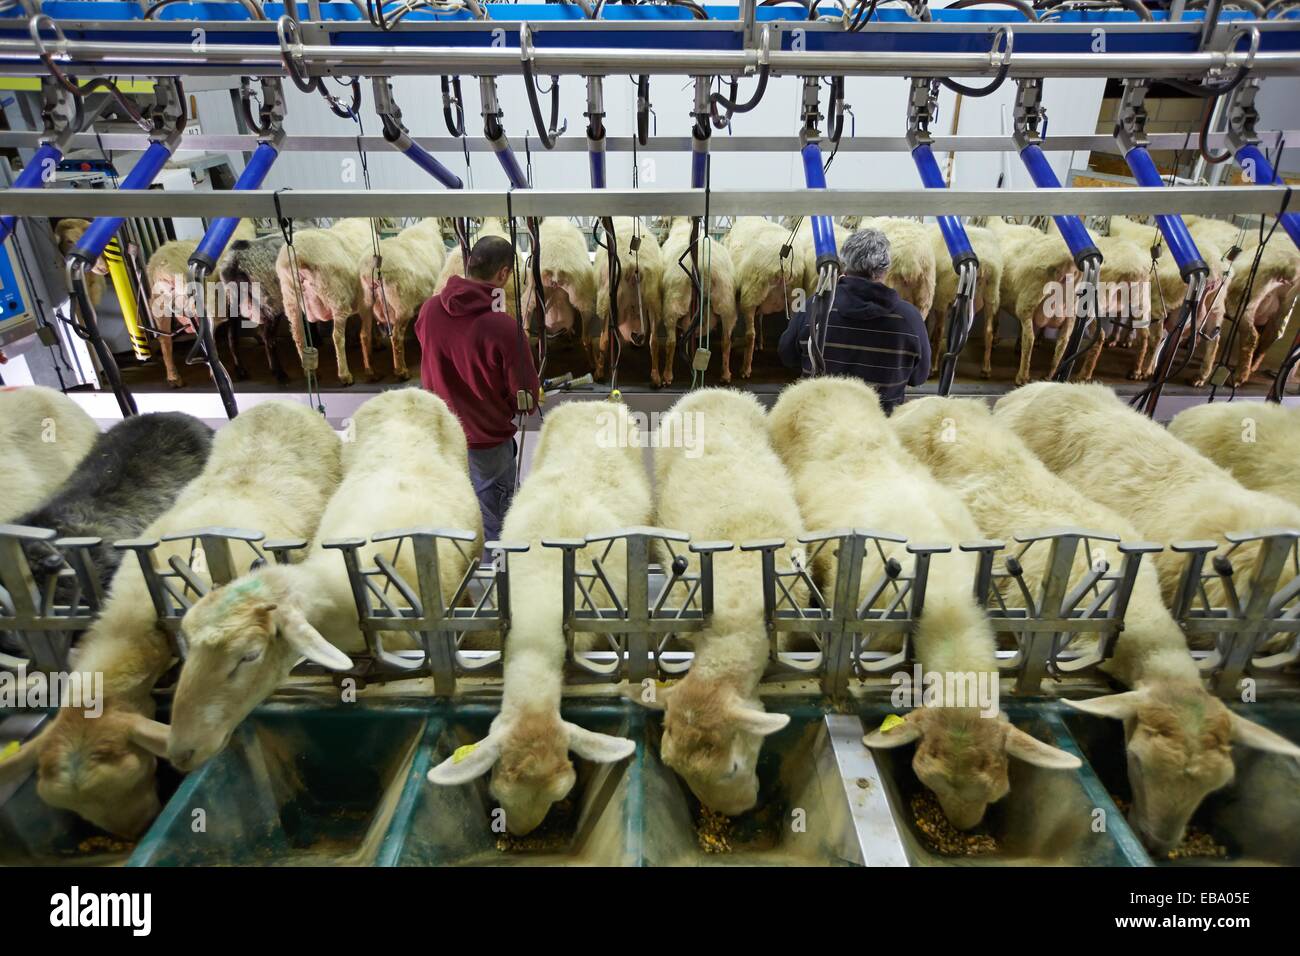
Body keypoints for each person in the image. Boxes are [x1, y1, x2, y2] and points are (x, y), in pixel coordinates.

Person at [415, 235, 538, 543]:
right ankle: (496, 588)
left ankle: (460, 586)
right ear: (504, 274)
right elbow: (526, 398)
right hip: (486, 447)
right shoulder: (505, 329)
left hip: (442, 440)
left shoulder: (429, 311)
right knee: (497, 527)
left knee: (451, 519)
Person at [778, 227, 931, 414]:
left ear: (844, 264)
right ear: (886, 269)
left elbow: (788, 356)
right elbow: (919, 377)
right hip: (881, 427)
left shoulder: (814, 306)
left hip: (819, 423)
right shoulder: (910, 318)